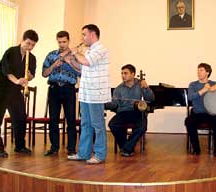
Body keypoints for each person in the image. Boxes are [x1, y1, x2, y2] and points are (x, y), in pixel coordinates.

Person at [0, 30, 39, 157]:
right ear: (22, 40)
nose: (30, 47)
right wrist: (17, 80)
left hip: (15, 90)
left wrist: (28, 77)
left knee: (21, 117)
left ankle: (20, 146)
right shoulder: (11, 52)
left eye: (33, 45)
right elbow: (6, 71)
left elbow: (32, 75)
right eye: (28, 43)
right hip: (0, 87)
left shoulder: (32, 58)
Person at [67, 24, 111, 164]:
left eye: (84, 34)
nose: (82, 38)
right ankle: (83, 153)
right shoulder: (89, 50)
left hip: (96, 94)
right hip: (86, 93)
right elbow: (81, 68)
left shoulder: (101, 49)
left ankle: (100, 154)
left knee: (98, 125)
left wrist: (75, 53)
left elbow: (87, 61)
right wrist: (71, 60)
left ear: (92, 34)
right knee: (85, 123)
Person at [42, 31, 80, 156]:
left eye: (64, 42)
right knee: (53, 119)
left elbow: (81, 73)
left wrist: (70, 62)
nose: (62, 44)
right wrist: (54, 65)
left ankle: (71, 149)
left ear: (68, 41)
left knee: (70, 119)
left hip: (69, 89)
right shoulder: (51, 55)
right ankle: (54, 147)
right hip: (54, 89)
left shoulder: (75, 55)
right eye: (59, 42)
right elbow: (44, 73)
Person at [108, 64, 155, 157]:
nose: (123, 75)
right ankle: (127, 147)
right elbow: (114, 104)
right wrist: (105, 103)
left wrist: (146, 88)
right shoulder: (119, 88)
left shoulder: (141, 84)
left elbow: (151, 98)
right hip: (123, 112)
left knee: (142, 127)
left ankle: (126, 148)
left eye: (125, 73)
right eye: (122, 73)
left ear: (133, 74)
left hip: (138, 112)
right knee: (112, 124)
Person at [185, 63, 216, 156]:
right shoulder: (193, 84)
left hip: (211, 114)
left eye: (201, 70)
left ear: (207, 72)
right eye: (198, 70)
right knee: (189, 121)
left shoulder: (213, 83)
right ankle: (196, 149)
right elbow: (190, 97)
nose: (198, 72)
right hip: (197, 114)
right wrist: (203, 90)